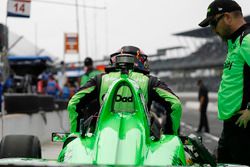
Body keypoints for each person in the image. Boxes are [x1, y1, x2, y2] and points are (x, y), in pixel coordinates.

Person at [67, 46, 182, 136]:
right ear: (140, 61)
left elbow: (73, 104)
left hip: (103, 138)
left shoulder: (99, 79)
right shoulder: (149, 81)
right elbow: (175, 104)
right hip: (140, 138)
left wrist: (75, 134)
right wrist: (170, 136)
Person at [199, 0, 250, 165]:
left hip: (244, 128)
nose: (213, 30)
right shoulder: (234, 43)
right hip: (232, 127)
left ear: (227, 17)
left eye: (214, 23)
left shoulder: (247, 40)